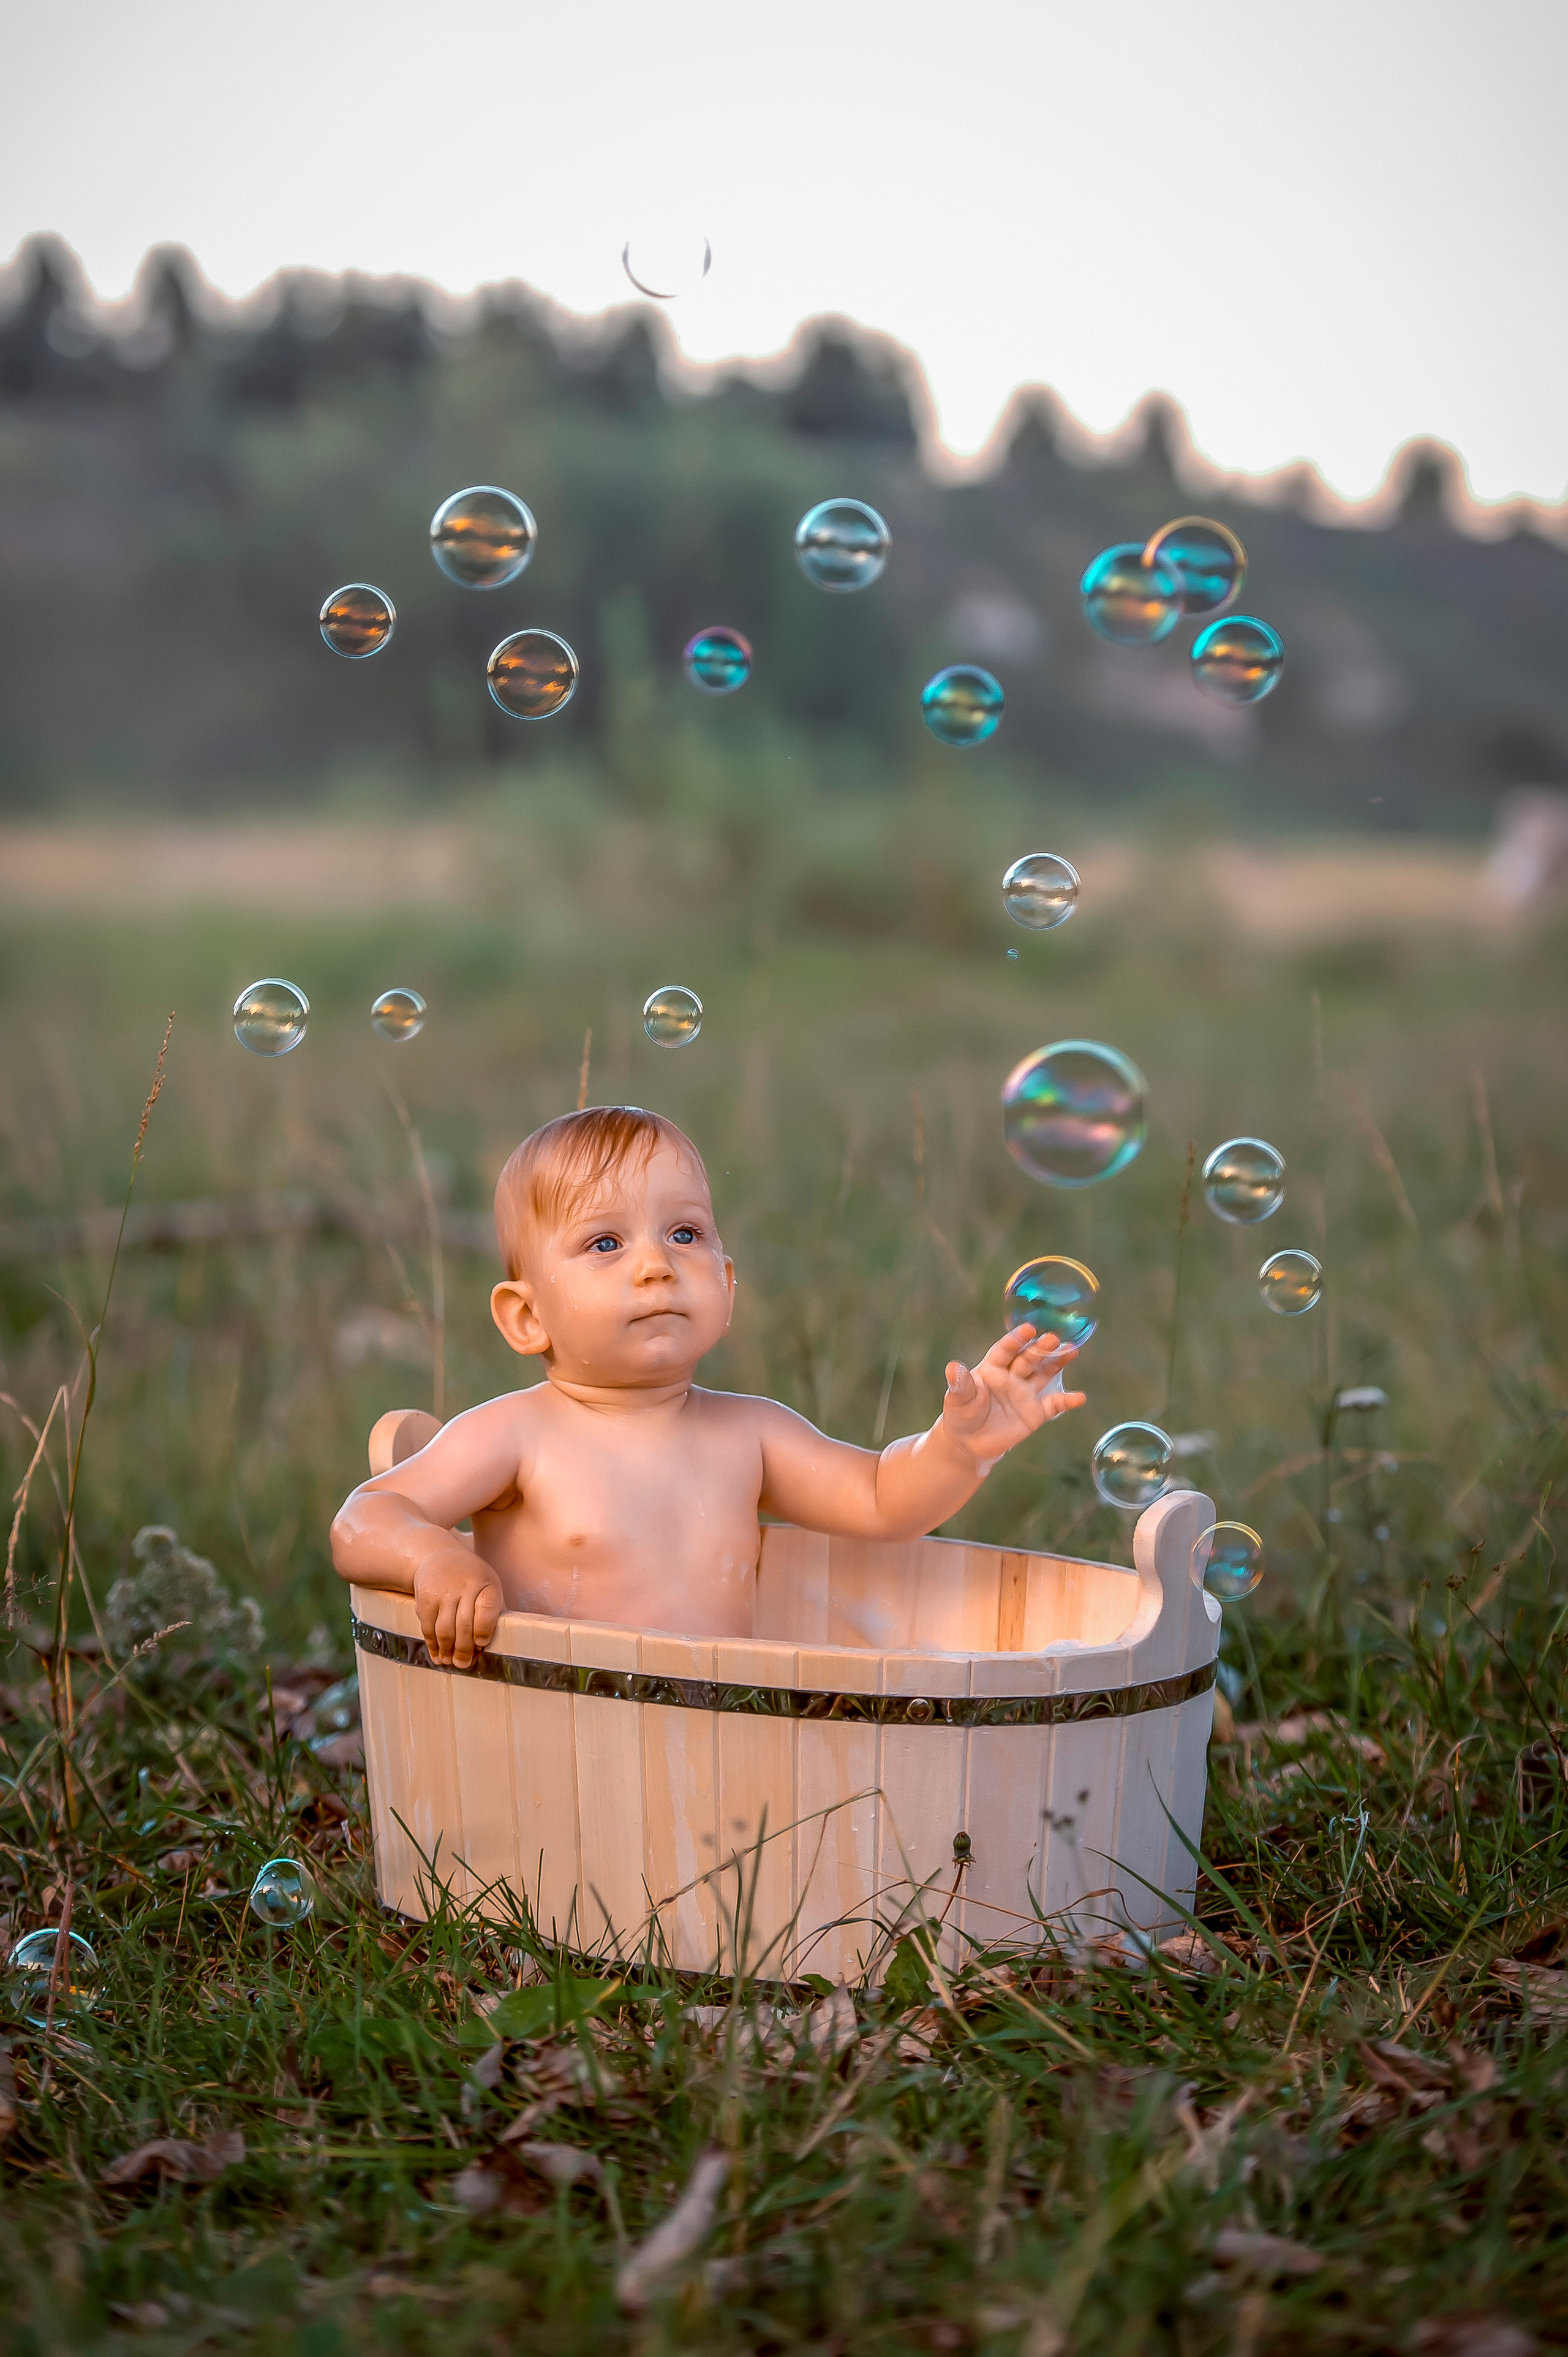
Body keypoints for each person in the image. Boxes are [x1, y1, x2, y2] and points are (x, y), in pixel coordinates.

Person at [330, 1105, 1085, 1667]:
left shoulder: (749, 1433)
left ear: (726, 1288)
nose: (656, 1264)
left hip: (719, 1735)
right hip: (555, 1736)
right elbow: (366, 1518)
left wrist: (959, 1447)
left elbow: (883, 1498)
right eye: (605, 1242)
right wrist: (435, 1559)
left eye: (684, 1233)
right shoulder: (515, 1436)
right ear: (527, 1317)